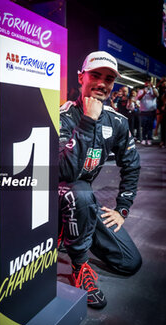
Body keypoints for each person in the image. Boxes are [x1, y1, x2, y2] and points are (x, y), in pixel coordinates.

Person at [59, 51, 142, 309]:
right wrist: (89, 120)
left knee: (130, 262)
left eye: (108, 79)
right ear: (80, 77)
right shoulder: (60, 115)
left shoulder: (117, 122)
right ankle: (79, 265)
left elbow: (132, 165)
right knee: (80, 189)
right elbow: (65, 172)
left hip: (82, 204)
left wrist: (122, 210)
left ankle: (70, 235)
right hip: (47, 199)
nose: (102, 83)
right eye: (95, 75)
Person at [137, 77, 159, 146]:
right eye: (146, 82)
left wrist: (153, 87)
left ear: (151, 83)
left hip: (151, 111)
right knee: (144, 126)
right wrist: (144, 93)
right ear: (145, 83)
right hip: (143, 111)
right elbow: (139, 99)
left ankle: (149, 139)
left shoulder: (154, 90)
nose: (147, 83)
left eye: (149, 82)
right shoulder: (141, 91)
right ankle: (143, 139)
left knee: (150, 126)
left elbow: (157, 95)